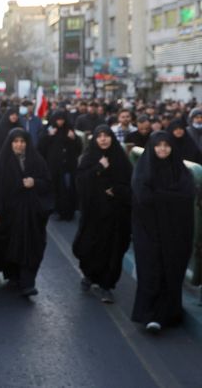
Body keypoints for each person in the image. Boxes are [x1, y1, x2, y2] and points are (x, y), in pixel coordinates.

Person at [131, 131, 195, 333]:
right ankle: (149, 314)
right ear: (152, 147)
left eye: (167, 146)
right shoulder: (143, 170)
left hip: (175, 232)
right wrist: (168, 198)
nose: (163, 149)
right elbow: (143, 197)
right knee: (151, 270)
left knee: (171, 270)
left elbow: (186, 195)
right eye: (158, 145)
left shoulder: (181, 171)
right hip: (149, 230)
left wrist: (159, 196)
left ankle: (166, 314)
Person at [72, 125, 132, 304]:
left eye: (107, 136)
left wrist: (117, 191)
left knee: (113, 250)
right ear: (95, 139)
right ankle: (89, 275)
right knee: (91, 246)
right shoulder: (89, 157)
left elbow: (131, 185)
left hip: (115, 215)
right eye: (100, 136)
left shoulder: (121, 159)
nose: (103, 139)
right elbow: (80, 182)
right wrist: (98, 168)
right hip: (93, 214)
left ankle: (107, 285)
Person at [0, 129, 53, 297]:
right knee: (10, 245)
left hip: (32, 214)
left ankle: (28, 283)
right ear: (10, 143)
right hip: (10, 213)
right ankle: (14, 276)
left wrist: (35, 182)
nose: (19, 145)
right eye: (16, 141)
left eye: (22, 141)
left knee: (32, 245)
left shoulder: (37, 161)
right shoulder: (3, 162)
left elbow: (47, 183)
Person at [38, 110, 82, 221]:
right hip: (53, 166)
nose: (60, 122)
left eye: (62, 119)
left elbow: (79, 147)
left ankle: (67, 210)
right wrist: (49, 136)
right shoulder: (49, 130)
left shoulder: (69, 130)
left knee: (67, 187)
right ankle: (56, 208)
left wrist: (74, 139)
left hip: (68, 166)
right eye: (58, 120)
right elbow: (41, 147)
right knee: (55, 187)